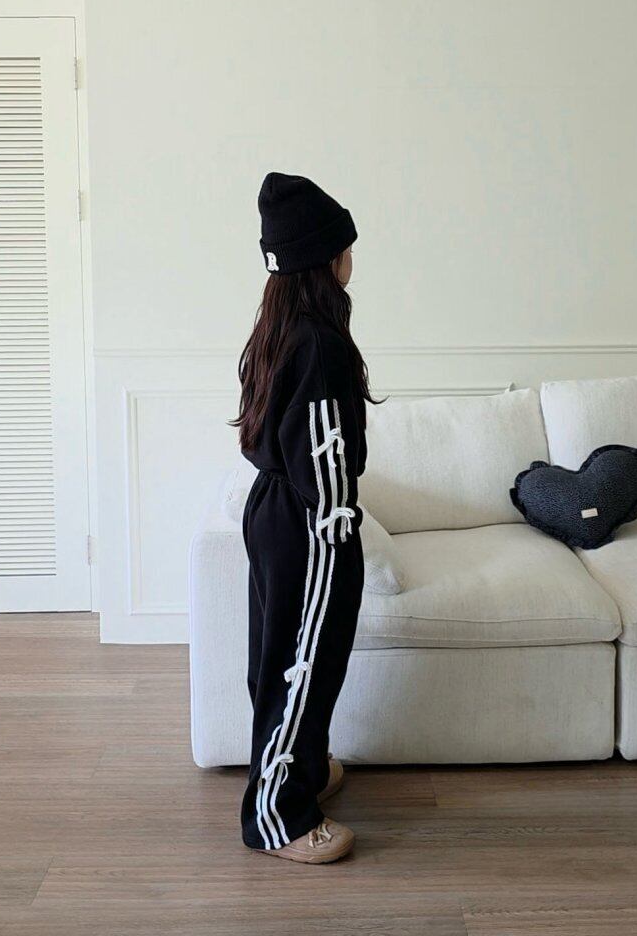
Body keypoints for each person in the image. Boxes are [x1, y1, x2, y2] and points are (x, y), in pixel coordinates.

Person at [232, 173, 374, 863]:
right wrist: (338, 521)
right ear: (326, 258)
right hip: (312, 523)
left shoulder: (279, 327)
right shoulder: (317, 342)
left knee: (286, 658)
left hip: (275, 512)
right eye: (346, 246)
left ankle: (304, 768)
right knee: (301, 666)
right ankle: (278, 816)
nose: (352, 258)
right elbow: (323, 449)